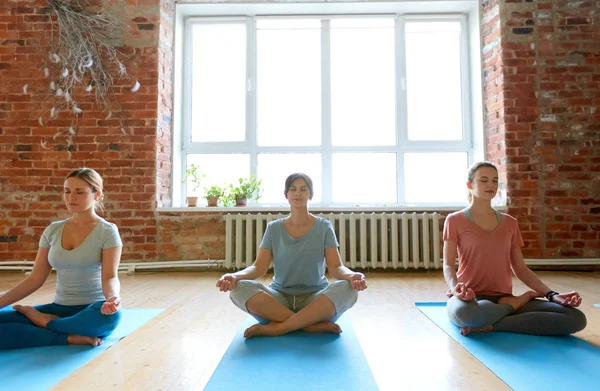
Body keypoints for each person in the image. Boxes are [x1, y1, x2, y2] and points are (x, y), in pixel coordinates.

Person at [443, 161, 587, 336]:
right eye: (484, 180)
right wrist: (456, 288)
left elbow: (520, 269)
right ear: (469, 185)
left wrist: (551, 295)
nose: (490, 185)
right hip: (469, 299)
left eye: (495, 180)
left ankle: (493, 324)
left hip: (503, 296)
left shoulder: (510, 223)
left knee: (576, 318)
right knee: (464, 314)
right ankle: (513, 306)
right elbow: (448, 265)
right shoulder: (454, 220)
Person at [216, 173, 367, 338]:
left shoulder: (324, 227)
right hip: (279, 298)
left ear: (310, 194)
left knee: (348, 289)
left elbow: (336, 268)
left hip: (316, 298)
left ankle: (277, 328)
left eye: (303, 189)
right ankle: (309, 325)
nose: (298, 193)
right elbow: (258, 268)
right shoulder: (274, 228)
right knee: (238, 288)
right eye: (293, 189)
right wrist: (233, 276)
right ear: (286, 195)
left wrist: (353, 276)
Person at [0, 168, 123, 349]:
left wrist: (112, 299)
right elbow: (35, 278)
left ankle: (46, 324)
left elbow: (110, 276)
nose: (71, 197)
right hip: (58, 308)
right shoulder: (53, 230)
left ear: (97, 195)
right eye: (67, 191)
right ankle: (68, 336)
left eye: (79, 192)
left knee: (111, 318)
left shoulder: (107, 231)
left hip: (91, 310)